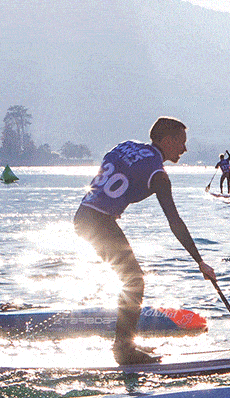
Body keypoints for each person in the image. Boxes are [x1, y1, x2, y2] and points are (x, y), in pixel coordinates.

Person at [74, 117, 216, 365]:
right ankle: (124, 350)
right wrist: (200, 261)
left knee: (130, 278)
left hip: (84, 215)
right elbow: (175, 221)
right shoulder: (158, 174)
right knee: (135, 280)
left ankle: (126, 341)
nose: (184, 149)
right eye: (181, 143)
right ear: (168, 140)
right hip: (98, 222)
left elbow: (113, 163)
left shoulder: (126, 145)